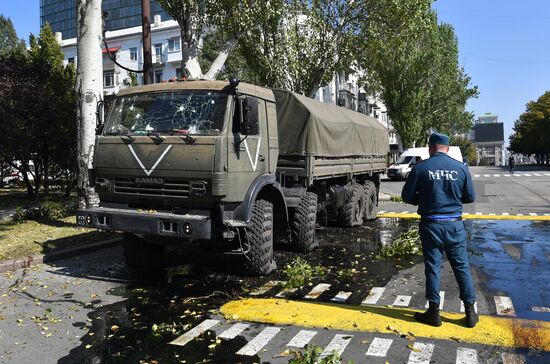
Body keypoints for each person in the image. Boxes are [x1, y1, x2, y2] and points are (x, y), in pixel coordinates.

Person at [401, 132, 478, 328]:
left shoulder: (421, 168)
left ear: (430, 147)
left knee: (433, 268)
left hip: (431, 224)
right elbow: (470, 197)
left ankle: (434, 313)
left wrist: (425, 200)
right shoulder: (460, 168)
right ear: (447, 147)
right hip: (454, 224)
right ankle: (470, 313)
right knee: (461, 267)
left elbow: (407, 196)